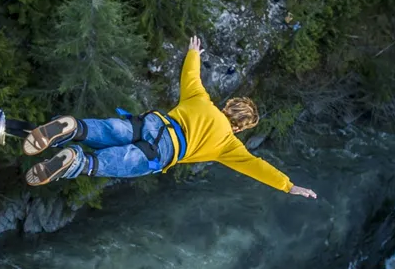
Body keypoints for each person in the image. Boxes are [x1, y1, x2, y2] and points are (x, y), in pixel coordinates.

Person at [22, 36, 317, 199]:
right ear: (240, 127)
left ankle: (74, 127)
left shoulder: (201, 99)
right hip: (164, 151)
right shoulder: (229, 145)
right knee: (110, 163)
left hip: (153, 123)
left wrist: (194, 53)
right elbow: (257, 167)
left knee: (114, 130)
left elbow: (191, 75)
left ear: (228, 106)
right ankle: (76, 160)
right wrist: (288, 185)